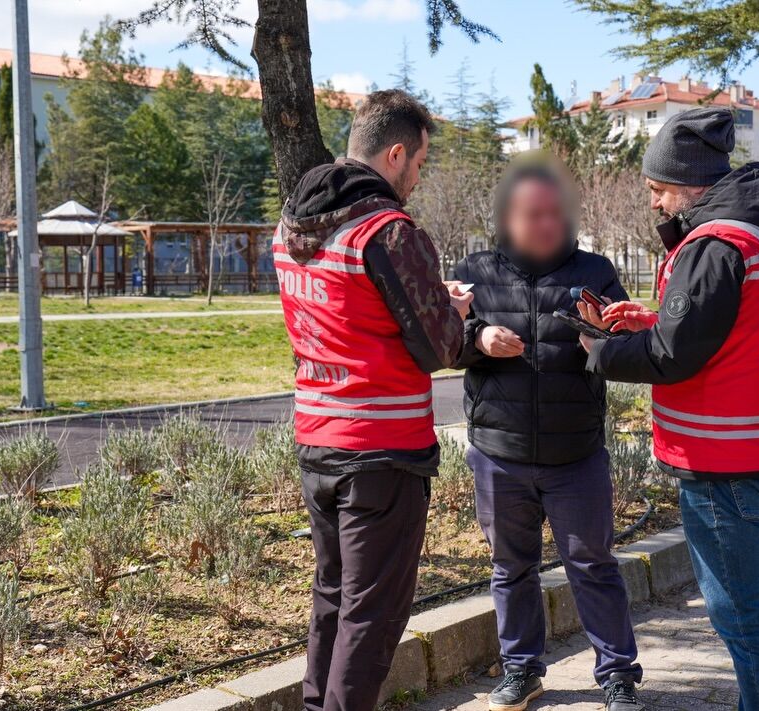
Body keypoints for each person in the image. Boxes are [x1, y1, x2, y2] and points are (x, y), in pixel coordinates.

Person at [578, 107, 759, 711]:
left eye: (658, 189)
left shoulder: (714, 245)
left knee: (743, 616)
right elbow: (738, 328)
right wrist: (656, 318)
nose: (656, 203)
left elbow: (672, 358)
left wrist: (602, 351)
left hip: (725, 463)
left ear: (690, 184)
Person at [274, 89, 473, 711]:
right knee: (373, 614)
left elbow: (345, 311)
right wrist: (453, 311)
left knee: (333, 598)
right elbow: (439, 346)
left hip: (317, 437)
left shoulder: (292, 225)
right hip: (381, 450)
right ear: (394, 153)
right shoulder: (388, 231)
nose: (417, 176)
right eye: (418, 163)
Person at [453, 156, 645, 711]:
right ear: (507, 218)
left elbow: (623, 346)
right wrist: (478, 337)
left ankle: (617, 676)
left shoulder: (596, 270)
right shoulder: (476, 271)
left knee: (594, 565)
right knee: (511, 568)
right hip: (499, 452)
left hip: (576, 452)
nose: (545, 225)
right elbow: (444, 339)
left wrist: (603, 344)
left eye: (553, 214)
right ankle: (521, 669)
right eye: (532, 215)